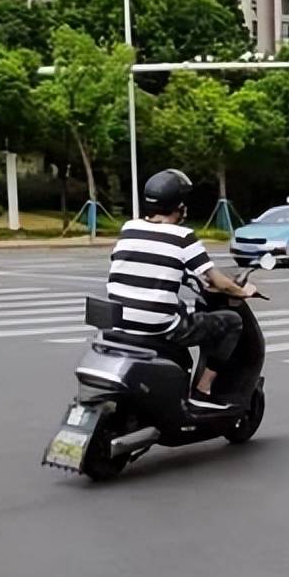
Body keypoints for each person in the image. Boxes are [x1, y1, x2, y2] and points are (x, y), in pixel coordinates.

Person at [107, 169, 257, 409]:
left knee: (177, 307)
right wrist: (242, 292)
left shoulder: (128, 228)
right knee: (231, 322)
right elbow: (217, 281)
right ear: (177, 205)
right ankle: (203, 389)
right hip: (158, 327)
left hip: (120, 321)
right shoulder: (183, 236)